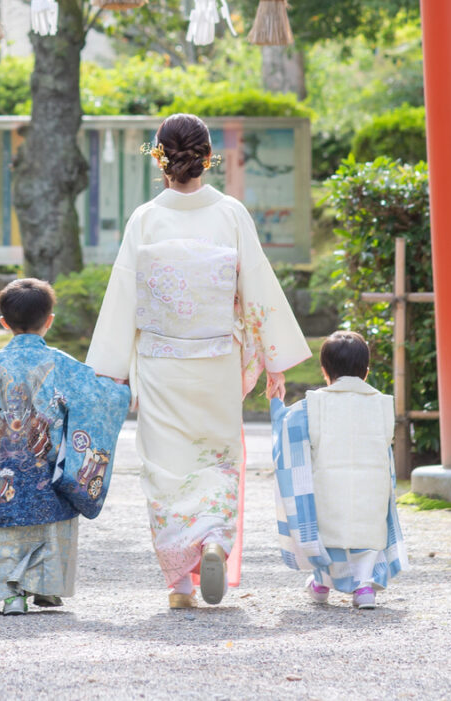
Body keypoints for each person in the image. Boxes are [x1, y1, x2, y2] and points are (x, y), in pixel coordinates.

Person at [86, 112, 310, 609]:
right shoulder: (231, 214)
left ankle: (180, 584)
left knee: (166, 469)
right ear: (209, 159)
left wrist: (110, 371)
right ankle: (213, 538)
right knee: (217, 460)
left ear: (159, 159)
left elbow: (123, 295)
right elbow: (256, 285)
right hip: (216, 363)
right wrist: (273, 360)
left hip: (163, 363)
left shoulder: (145, 219)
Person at [0, 276, 130, 615]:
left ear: (3, 323)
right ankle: (46, 586)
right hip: (46, 471)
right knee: (52, 522)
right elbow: (97, 398)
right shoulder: (64, 364)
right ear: (49, 321)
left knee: (2, 525)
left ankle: (13, 596)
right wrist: (121, 389)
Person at [270, 329, 408, 609]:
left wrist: (275, 403)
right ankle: (364, 587)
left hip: (328, 489)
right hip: (372, 487)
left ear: (324, 370)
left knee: (328, 529)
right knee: (368, 532)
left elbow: (287, 429)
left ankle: (322, 583)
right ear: (366, 371)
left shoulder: (314, 405)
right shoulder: (382, 404)